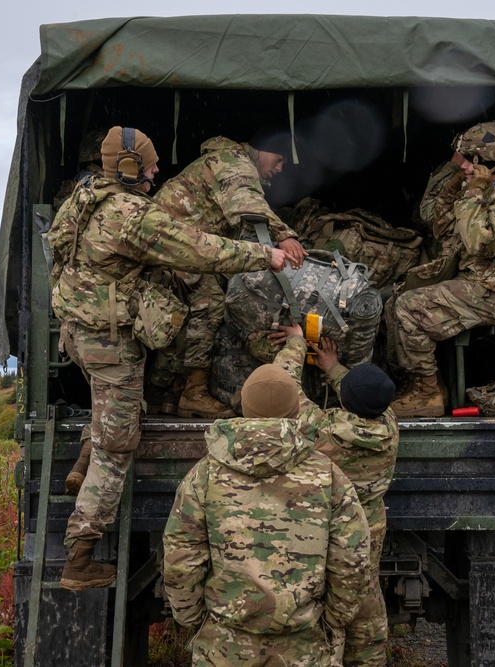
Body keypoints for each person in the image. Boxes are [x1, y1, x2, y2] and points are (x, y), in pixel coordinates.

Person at [48, 125, 289, 591]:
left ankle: (83, 457)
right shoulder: (130, 215)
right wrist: (265, 256)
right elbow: (197, 249)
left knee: (112, 407)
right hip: (108, 341)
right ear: (129, 168)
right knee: (117, 450)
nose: (159, 171)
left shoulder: (85, 197)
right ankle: (79, 558)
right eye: (152, 164)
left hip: (77, 332)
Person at [163, 362, 371, 665]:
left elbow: (180, 558)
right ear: (294, 409)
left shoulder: (205, 475)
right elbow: (352, 559)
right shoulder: (330, 476)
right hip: (306, 646)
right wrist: (336, 620)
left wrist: (193, 620)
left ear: (246, 407)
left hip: (225, 647)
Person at [387, 121, 495, 417]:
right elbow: (443, 226)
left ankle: (428, 393)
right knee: (398, 297)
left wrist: (473, 192)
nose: (465, 166)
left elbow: (477, 243)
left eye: (468, 160)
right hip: (479, 283)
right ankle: (416, 384)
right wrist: (451, 190)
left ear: (483, 161)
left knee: (410, 307)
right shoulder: (488, 189)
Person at [154, 126, 308, 419]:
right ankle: (193, 391)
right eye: (278, 159)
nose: (278, 168)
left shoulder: (230, 161)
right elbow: (245, 204)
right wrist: (284, 234)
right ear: (263, 148)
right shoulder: (235, 162)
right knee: (210, 302)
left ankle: (168, 390)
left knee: (184, 316)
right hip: (172, 251)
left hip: (179, 251)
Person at [269, 324, 399, 667]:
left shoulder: (323, 430)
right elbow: (360, 394)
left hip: (325, 531)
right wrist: (334, 368)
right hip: (367, 531)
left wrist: (296, 342)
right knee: (365, 603)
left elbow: (285, 387)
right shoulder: (389, 425)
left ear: (345, 402)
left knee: (330, 609)